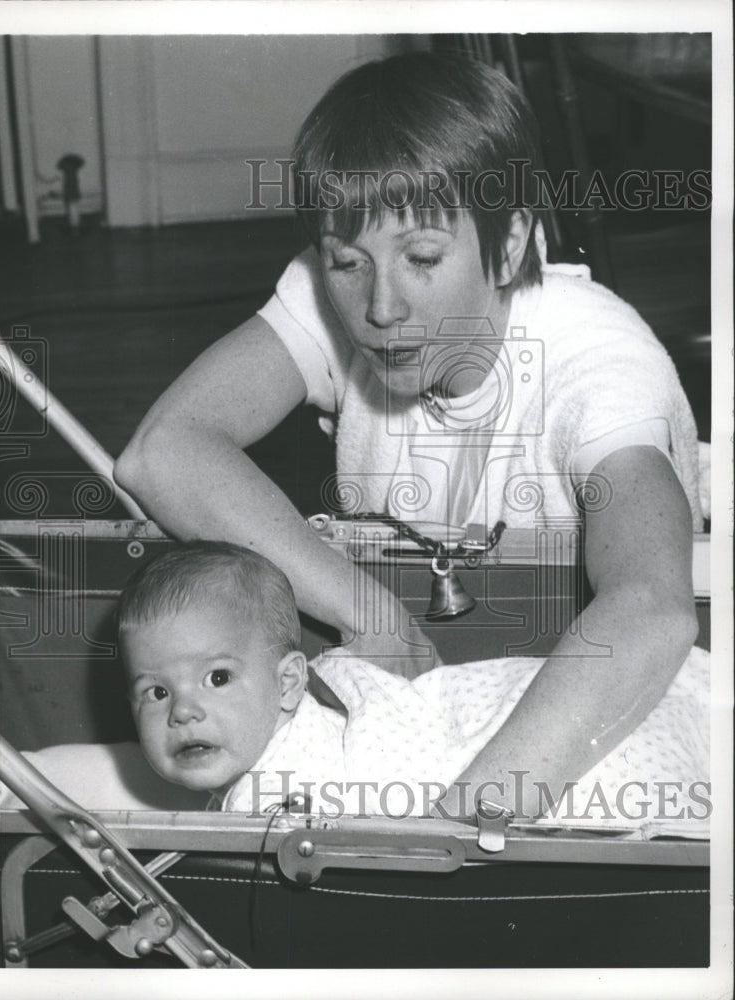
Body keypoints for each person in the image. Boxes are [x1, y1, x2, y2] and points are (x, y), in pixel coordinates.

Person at [114, 53, 702, 818]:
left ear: (513, 240)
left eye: (423, 257)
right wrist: (375, 612)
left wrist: (455, 826)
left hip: (591, 690)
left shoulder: (601, 367)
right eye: (346, 262)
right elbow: (162, 451)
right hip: (431, 692)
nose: (380, 305)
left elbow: (653, 606)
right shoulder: (343, 286)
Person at [115, 541, 708, 822]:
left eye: (217, 677)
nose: (183, 711)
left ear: (291, 683)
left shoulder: (276, 797)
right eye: (156, 692)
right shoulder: (279, 733)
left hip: (591, 742)